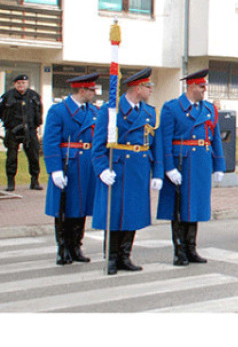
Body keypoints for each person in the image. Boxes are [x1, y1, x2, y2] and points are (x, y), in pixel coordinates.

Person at [92, 68, 163, 275]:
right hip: (118, 169)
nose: (151, 90)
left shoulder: (150, 112)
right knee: (114, 215)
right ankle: (111, 258)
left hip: (139, 169)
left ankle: (125, 255)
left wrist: (157, 173)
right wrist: (102, 169)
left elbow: (155, 146)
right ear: (138, 88)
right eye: (148, 86)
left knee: (132, 214)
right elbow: (98, 148)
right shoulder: (110, 111)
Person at [156, 69, 225, 266]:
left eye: (205, 86)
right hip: (181, 162)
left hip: (201, 163)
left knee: (194, 207)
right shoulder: (172, 108)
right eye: (202, 86)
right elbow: (165, 139)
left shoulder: (209, 109)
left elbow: (215, 139)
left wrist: (219, 165)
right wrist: (168, 168)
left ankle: (191, 247)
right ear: (191, 86)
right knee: (179, 208)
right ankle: (179, 251)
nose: (205, 90)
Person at [43, 73, 100, 264]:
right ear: (82, 90)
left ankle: (76, 246)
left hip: (86, 165)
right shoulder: (59, 111)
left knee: (81, 207)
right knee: (64, 208)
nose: (95, 93)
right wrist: (55, 169)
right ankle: (63, 248)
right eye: (92, 90)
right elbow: (50, 142)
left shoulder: (94, 111)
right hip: (68, 163)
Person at [1, 74, 43, 190]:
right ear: (15, 84)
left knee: (34, 156)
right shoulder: (8, 96)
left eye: (23, 83)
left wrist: (37, 126)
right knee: (11, 158)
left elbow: (39, 112)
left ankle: (35, 181)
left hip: (29, 131)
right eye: (18, 83)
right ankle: (10, 183)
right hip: (13, 131)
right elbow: (2, 112)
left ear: (27, 84)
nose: (21, 85)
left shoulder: (34, 96)